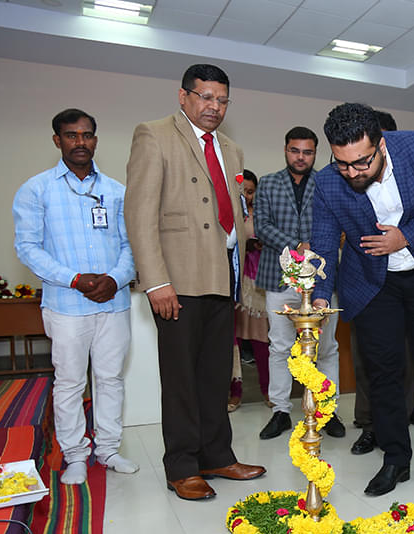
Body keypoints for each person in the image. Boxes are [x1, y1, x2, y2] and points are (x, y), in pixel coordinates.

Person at [124, 64, 266, 501]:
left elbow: (233, 218)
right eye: (205, 97)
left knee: (214, 375)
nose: (214, 107)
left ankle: (216, 455)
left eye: (222, 100)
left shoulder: (231, 149)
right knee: (182, 377)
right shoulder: (154, 134)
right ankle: (182, 466)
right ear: (183, 96)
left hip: (222, 275)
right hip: (177, 279)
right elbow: (140, 213)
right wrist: (155, 282)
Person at [310, 103, 414, 497]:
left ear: (380, 143)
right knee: (383, 374)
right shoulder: (328, 182)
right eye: (342, 163)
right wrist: (319, 296)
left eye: (361, 163)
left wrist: (406, 235)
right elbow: (325, 241)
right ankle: (396, 459)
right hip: (370, 282)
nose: (353, 173)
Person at [13, 108, 138, 485]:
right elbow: (28, 248)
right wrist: (76, 279)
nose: (80, 142)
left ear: (95, 140)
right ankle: (75, 455)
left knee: (110, 378)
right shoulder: (37, 189)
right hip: (66, 305)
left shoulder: (116, 191)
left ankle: (109, 449)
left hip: (113, 303)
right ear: (58, 140)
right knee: (69, 382)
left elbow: (132, 246)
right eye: (71, 135)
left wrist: (115, 279)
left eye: (86, 135)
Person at [253, 126, 344, 441]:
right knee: (279, 347)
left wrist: (312, 250)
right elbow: (261, 226)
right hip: (279, 278)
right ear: (285, 150)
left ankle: (326, 410)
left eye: (307, 152)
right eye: (295, 150)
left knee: (327, 348)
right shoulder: (267, 183)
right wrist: (297, 246)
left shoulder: (329, 183)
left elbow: (337, 225)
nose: (301, 157)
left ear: (315, 153)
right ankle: (280, 410)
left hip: (321, 279)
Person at [349, 109, 414, 457]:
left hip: (407, 280)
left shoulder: (411, 176)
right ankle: (368, 424)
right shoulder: (351, 177)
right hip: (366, 280)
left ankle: (399, 420)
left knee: (404, 354)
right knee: (367, 357)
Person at [229, 169, 271, 412]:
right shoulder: (228, 216)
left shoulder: (263, 216)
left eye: (250, 191)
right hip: (231, 284)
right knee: (230, 341)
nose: (246, 196)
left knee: (261, 342)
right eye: (241, 191)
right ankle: (235, 394)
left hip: (257, 286)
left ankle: (268, 390)